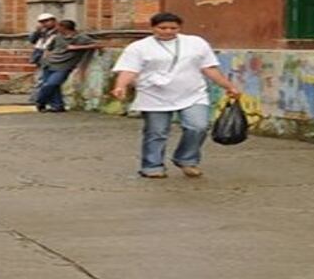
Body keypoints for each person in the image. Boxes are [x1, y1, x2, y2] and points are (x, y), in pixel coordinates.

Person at [110, 12, 242, 179]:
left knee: (198, 126)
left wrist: (228, 86)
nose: (168, 31)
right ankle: (152, 166)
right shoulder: (138, 47)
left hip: (193, 93)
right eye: (162, 28)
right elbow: (129, 69)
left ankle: (186, 159)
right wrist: (120, 86)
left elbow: (209, 67)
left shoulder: (196, 43)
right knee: (156, 132)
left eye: (173, 28)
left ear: (180, 28)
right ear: (152, 28)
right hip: (154, 95)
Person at [31, 19, 97, 112]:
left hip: (64, 65)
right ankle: (58, 106)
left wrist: (76, 47)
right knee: (53, 86)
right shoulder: (57, 37)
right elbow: (49, 48)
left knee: (51, 84)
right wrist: (46, 57)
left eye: (58, 26)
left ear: (64, 27)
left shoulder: (80, 38)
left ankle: (40, 101)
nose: (56, 28)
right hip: (49, 63)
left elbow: (97, 45)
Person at [25, 13, 59, 102]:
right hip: (40, 56)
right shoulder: (42, 32)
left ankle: (38, 98)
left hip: (52, 56)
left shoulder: (59, 31)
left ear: (54, 20)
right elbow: (32, 40)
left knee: (43, 79)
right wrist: (37, 32)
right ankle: (37, 97)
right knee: (40, 78)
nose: (44, 24)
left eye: (47, 21)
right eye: (42, 22)